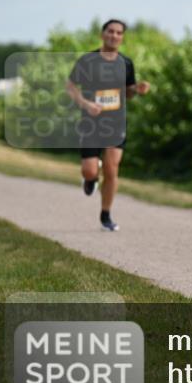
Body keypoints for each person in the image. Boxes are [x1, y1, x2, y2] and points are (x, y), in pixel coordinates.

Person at [65, 19, 150, 231]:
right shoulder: (88, 61)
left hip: (115, 123)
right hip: (91, 123)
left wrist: (137, 90)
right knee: (89, 170)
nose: (114, 36)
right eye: (110, 31)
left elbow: (128, 94)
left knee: (112, 170)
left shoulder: (126, 63)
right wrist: (85, 103)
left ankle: (106, 216)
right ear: (102, 34)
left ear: (122, 37)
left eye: (119, 33)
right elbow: (71, 86)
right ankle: (91, 179)